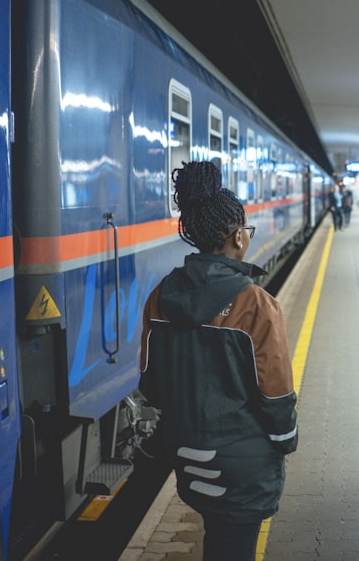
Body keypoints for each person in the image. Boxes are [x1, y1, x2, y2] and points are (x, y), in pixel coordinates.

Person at [140, 161, 298, 561]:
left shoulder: (160, 297)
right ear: (239, 238)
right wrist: (286, 440)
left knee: (220, 540)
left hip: (189, 452)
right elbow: (275, 392)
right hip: (243, 464)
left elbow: (150, 384)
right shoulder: (256, 304)